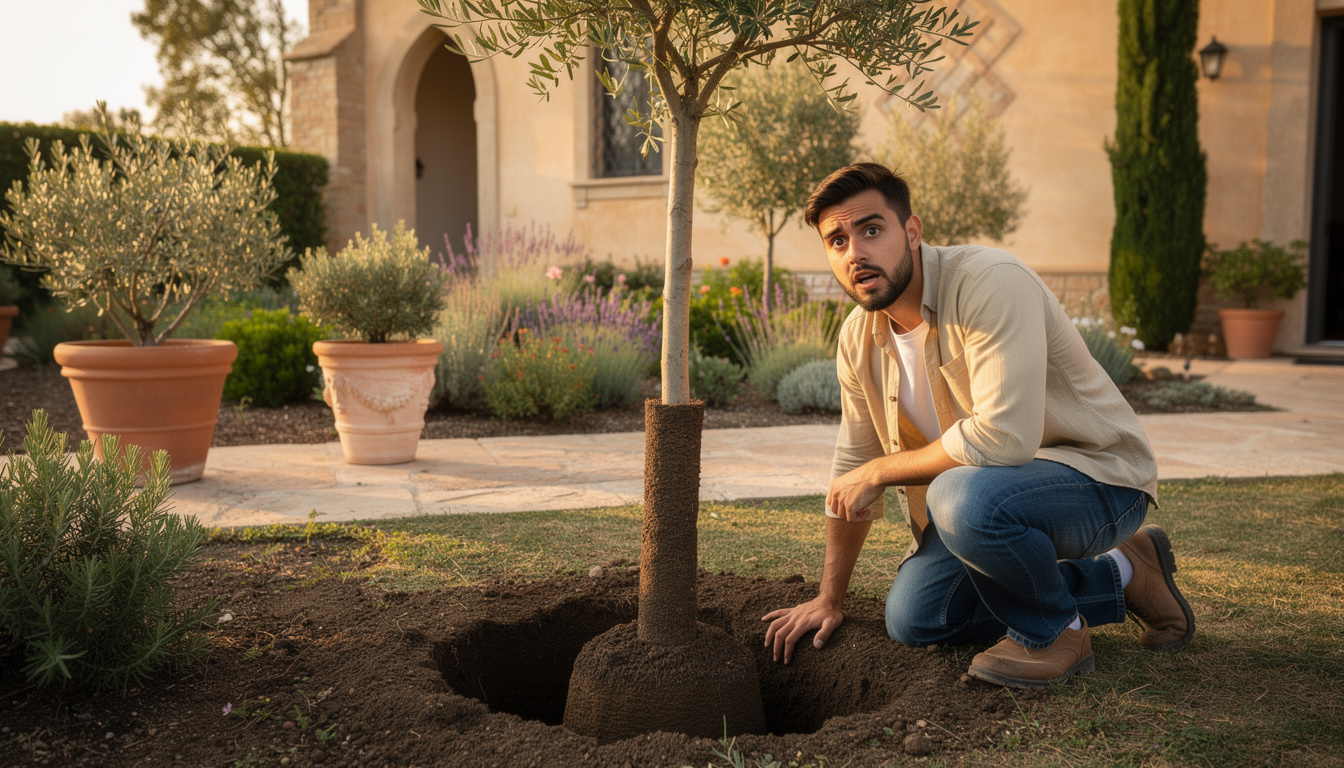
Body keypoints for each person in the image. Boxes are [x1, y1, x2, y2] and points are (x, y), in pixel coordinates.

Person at [761, 163, 1195, 688]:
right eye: (837, 241)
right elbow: (853, 468)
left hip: (1099, 478)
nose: (855, 252)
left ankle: (1056, 632)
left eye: (871, 230)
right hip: (985, 493)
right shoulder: (858, 337)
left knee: (959, 497)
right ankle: (1125, 574)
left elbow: (1003, 439)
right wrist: (829, 598)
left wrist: (881, 470)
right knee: (917, 619)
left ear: (912, 232)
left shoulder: (990, 282)